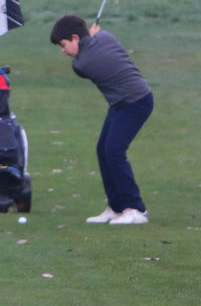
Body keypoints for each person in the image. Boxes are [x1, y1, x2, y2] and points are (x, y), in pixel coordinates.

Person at [50, 14, 153, 225]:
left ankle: (136, 209)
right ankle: (116, 207)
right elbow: (98, 39)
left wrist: (90, 38)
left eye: (63, 44)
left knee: (114, 152)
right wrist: (92, 37)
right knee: (103, 150)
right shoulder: (107, 37)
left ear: (76, 38)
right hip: (121, 103)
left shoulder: (82, 65)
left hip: (136, 102)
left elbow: (85, 58)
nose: (63, 51)